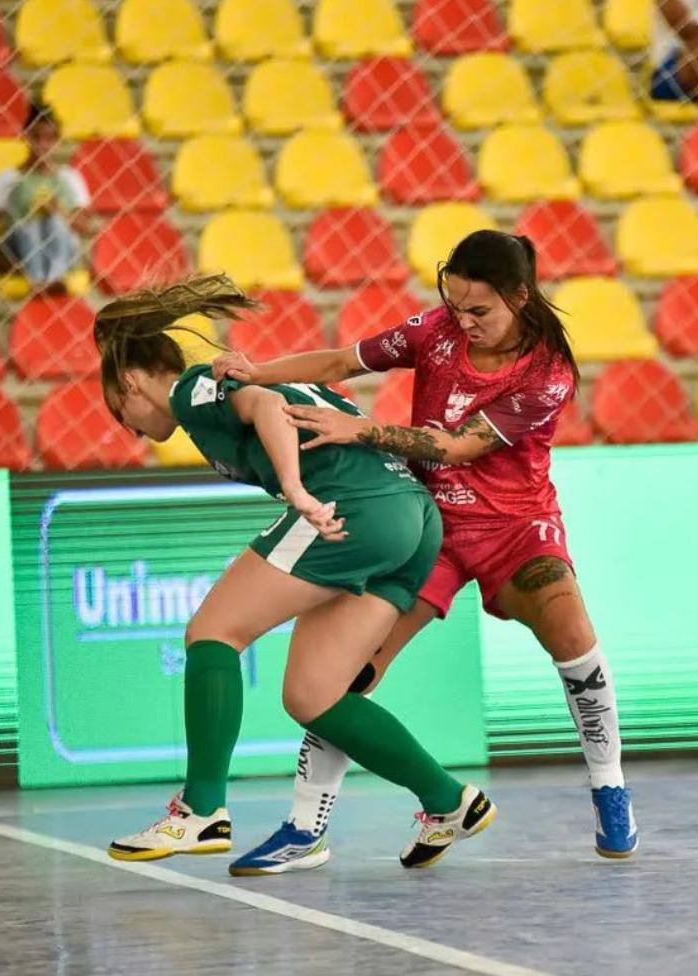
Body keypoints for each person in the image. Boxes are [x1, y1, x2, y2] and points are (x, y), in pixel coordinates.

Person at [213, 230, 639, 874]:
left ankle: (610, 787)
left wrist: (361, 428)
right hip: (427, 527)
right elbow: (338, 363)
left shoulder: (548, 372)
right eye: (456, 308)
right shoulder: (436, 330)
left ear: (520, 298)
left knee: (572, 634)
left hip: (516, 530)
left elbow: (463, 446)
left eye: (480, 312)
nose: (463, 324)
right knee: (342, 677)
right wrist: (257, 372)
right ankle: (306, 828)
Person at [97, 273, 496, 870]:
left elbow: (268, 406)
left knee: (212, 632)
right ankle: (447, 799)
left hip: (350, 506)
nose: (127, 427)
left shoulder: (190, 388)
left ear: (131, 380)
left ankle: (200, 812)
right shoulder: (211, 388)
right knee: (315, 695)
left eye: (118, 410)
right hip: (412, 519)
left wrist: (294, 488)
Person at [0, 103, 91, 292]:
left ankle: (51, 280)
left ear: (58, 141)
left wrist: (60, 212)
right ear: (26, 136)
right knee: (28, 225)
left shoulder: (69, 178)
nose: (43, 145)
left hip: (61, 247)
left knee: (54, 221)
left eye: (50, 138)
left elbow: (84, 228)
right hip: (19, 249)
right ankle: (39, 280)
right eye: (36, 137)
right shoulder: (8, 178)